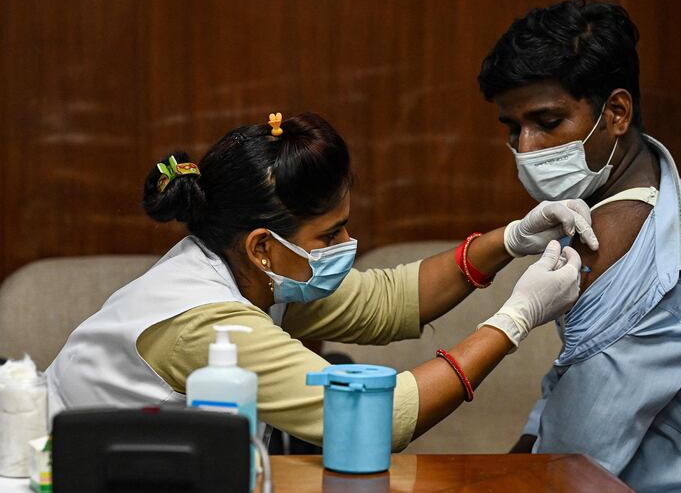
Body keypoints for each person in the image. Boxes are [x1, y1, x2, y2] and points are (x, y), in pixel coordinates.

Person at [46, 112, 597, 452]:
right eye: (331, 234)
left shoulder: (257, 276)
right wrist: (515, 318)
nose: (347, 245)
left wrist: (510, 239)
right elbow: (377, 421)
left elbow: (389, 301)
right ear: (264, 246)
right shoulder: (208, 323)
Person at [478, 0, 681, 491]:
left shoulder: (624, 238)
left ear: (616, 112)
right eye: (513, 128)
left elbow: (572, 462)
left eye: (547, 122)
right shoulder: (662, 191)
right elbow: (571, 380)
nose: (525, 149)